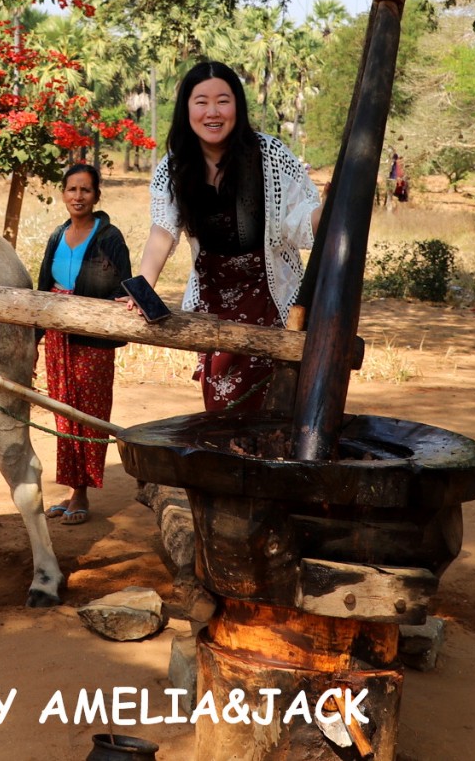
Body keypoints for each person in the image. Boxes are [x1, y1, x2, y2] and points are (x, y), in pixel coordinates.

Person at [130, 60, 320, 413]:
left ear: (238, 106)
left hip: (275, 305)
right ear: (187, 108)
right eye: (201, 101)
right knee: (223, 416)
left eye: (223, 100)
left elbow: (301, 219)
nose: (212, 112)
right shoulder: (174, 166)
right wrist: (142, 287)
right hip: (213, 311)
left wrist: (340, 205)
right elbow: (163, 231)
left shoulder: (270, 155)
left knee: (280, 416)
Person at [35, 162, 130, 525]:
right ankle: (71, 486)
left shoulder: (109, 237)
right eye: (72, 189)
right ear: (63, 194)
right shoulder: (57, 236)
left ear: (96, 196)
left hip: (93, 338)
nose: (78, 196)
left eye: (85, 190)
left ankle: (82, 493)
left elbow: (125, 283)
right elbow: (44, 288)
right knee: (63, 414)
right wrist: (34, 340)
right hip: (59, 338)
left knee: (89, 415)